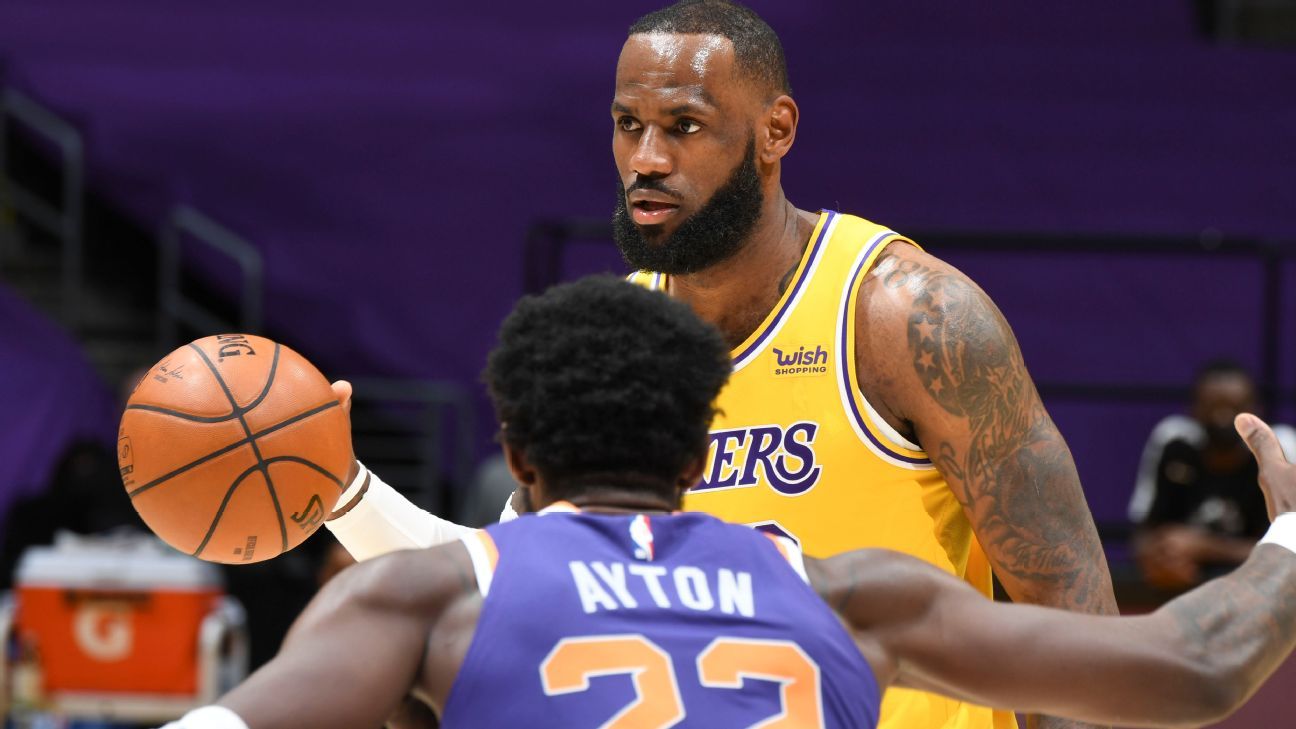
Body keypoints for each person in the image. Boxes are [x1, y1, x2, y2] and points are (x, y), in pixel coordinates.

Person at [324, 3, 1117, 727]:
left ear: (776, 130)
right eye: (627, 123)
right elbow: (498, 583)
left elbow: (1075, 619)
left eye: (684, 125)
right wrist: (340, 490)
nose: (646, 158)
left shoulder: (904, 317)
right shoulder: (614, 339)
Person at [166, 277, 1296, 729]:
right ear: (703, 442)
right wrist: (1290, 534)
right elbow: (1195, 663)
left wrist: (335, 488)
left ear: (513, 446)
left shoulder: (434, 599)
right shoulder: (846, 595)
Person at [1129, 360, 1296, 590]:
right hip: (1183, 591)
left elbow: (1290, 551)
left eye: (1236, 407)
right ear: (1194, 408)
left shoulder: (1279, 449)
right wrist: (1157, 561)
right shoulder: (1174, 442)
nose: (1223, 416)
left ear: (1257, 411)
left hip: (1262, 593)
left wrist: (1205, 546)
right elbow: (1144, 533)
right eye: (1213, 406)